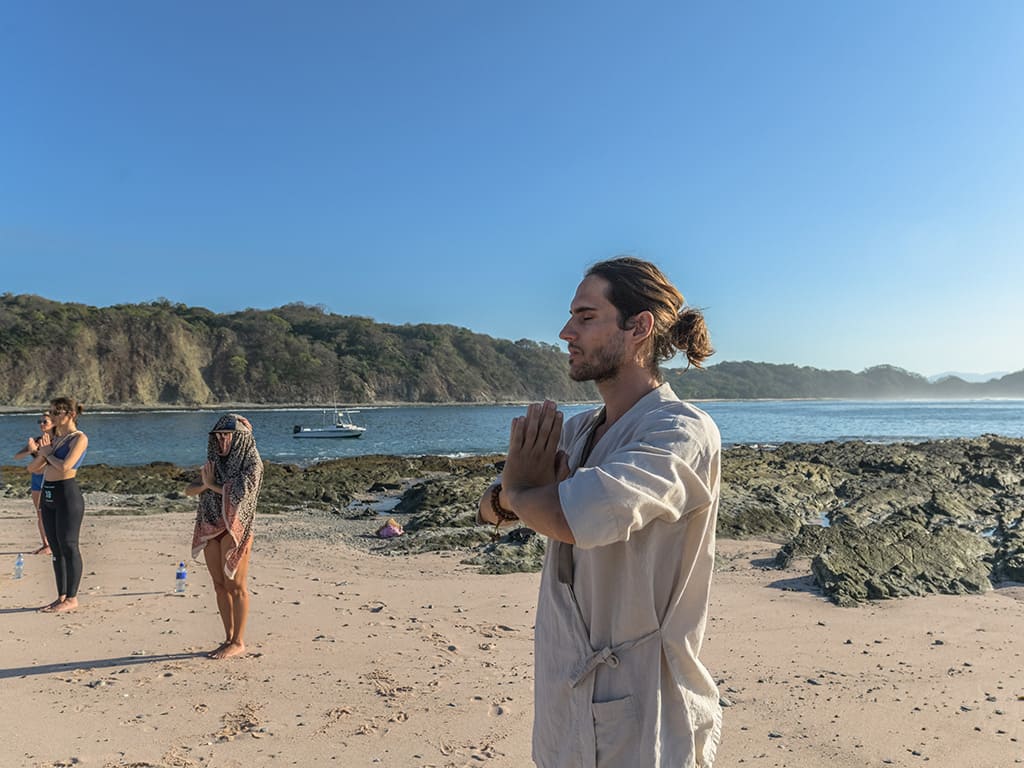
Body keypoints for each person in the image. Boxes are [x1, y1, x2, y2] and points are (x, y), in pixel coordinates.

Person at [478, 256, 722, 767]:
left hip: (646, 709)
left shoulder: (680, 432)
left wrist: (521, 493)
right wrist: (516, 497)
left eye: (586, 317)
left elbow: (572, 518)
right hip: (563, 694)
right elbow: (489, 508)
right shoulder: (579, 430)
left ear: (638, 327)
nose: (566, 332)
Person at [185, 413, 263, 660]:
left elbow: (242, 496)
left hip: (235, 527)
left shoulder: (253, 463)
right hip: (210, 524)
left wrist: (212, 486)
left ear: (239, 438)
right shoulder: (214, 460)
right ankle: (228, 637)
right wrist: (206, 484)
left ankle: (238, 641)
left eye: (226, 436)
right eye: (218, 436)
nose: (221, 441)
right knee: (219, 585)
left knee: (236, 585)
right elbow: (190, 489)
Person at [28, 397, 89, 613]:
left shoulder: (78, 438)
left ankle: (72, 597)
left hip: (67, 495)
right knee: (55, 548)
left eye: (56, 413)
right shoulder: (54, 439)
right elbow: (33, 469)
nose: (51, 417)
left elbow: (66, 466)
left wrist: (48, 454)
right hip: (49, 495)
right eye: (51, 412)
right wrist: (39, 453)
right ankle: (61, 596)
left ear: (70, 415)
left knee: (69, 545)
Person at [14, 411, 55, 555]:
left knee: (52, 513)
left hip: (49, 478)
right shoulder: (37, 440)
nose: (42, 425)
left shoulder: (57, 440)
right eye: (40, 422)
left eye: (45, 422)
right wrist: (30, 450)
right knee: (40, 513)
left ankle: (54, 544)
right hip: (36, 480)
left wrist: (39, 451)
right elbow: (17, 457)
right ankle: (46, 544)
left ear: (54, 423)